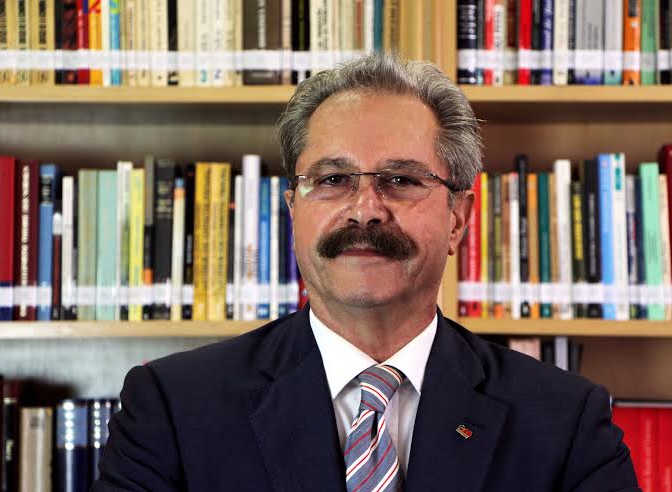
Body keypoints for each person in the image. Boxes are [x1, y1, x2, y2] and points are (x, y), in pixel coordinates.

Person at [93, 53, 639, 491]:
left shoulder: (565, 421)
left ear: (457, 219)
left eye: (401, 180)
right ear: (293, 212)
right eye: (333, 180)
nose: (365, 210)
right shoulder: (173, 407)